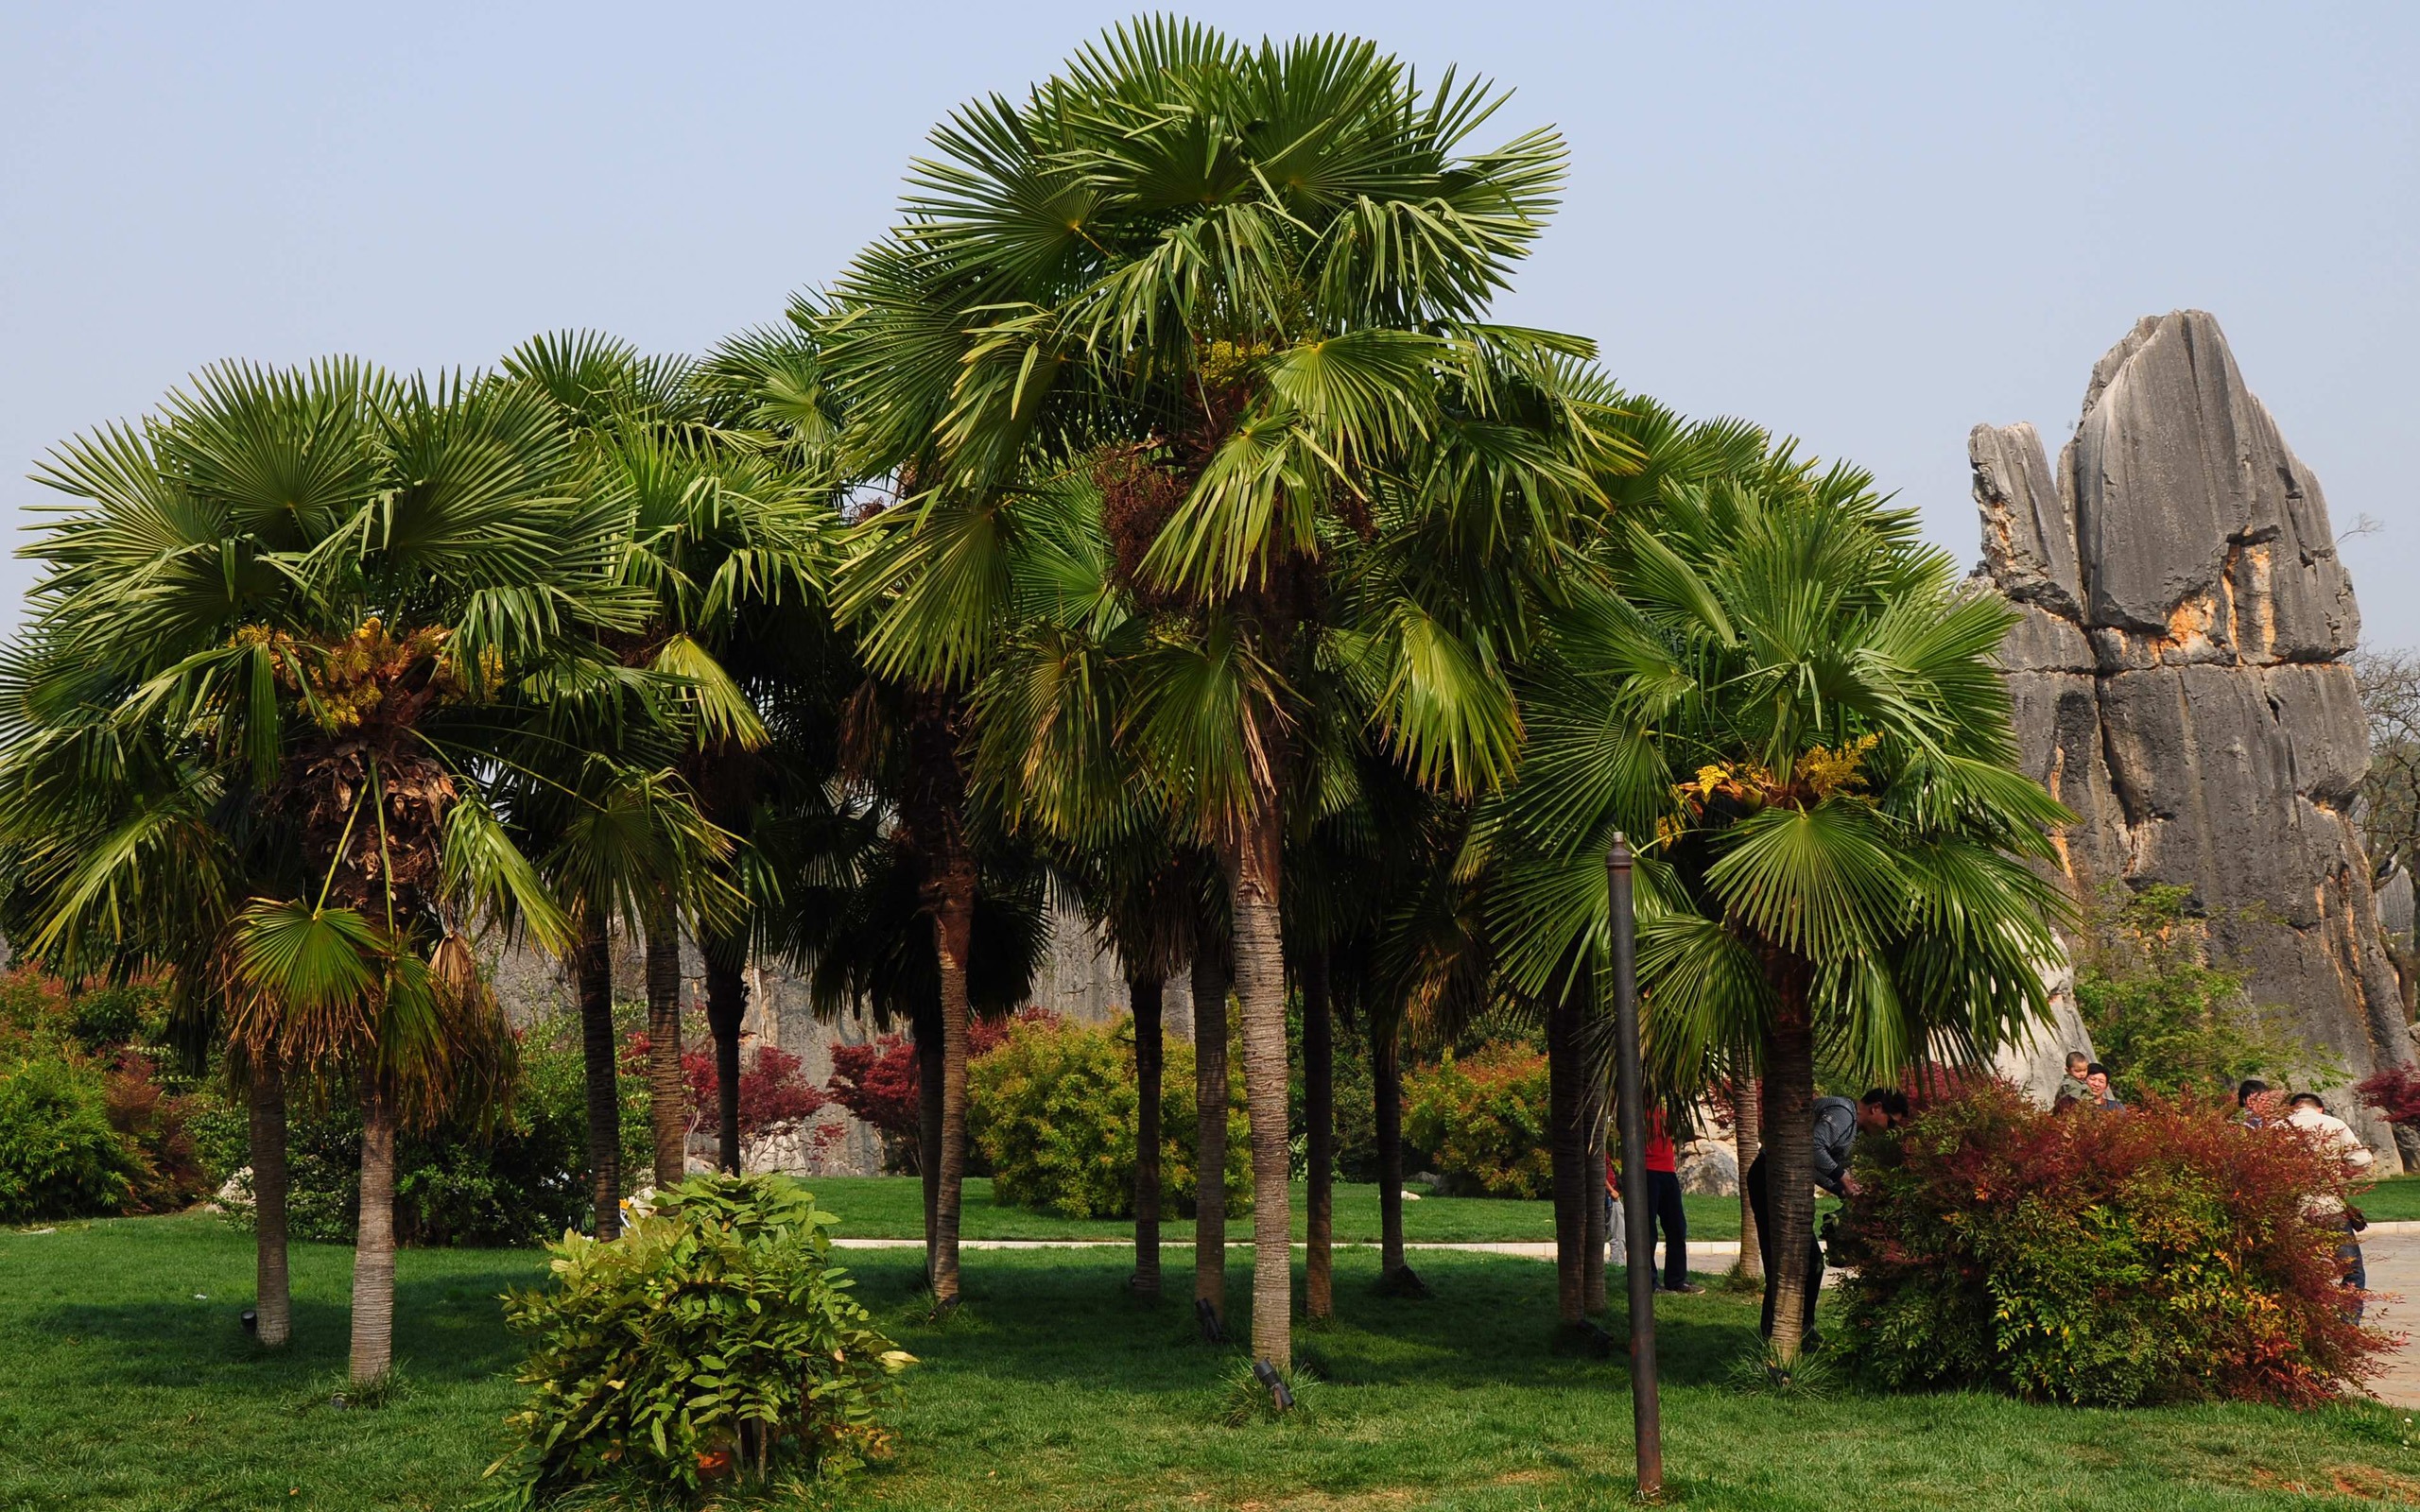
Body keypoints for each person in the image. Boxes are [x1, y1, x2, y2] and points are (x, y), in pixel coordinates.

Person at [1744, 1087, 1910, 1342]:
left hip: (1781, 1178)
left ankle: (1802, 1330)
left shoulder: (1849, 1121)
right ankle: (1776, 1335)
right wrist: (1842, 1176)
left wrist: (1841, 1188)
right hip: (1771, 1178)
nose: (1889, 1131)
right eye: (1890, 1123)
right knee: (1785, 1260)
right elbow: (1812, 1147)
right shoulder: (1845, 1114)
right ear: (1876, 1108)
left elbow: (1808, 1162)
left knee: (1809, 1262)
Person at [2284, 1091, 2375, 1318]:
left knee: (2296, 1272)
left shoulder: (2278, 1127)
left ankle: (2303, 1325)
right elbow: (2361, 1159)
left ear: (2292, 1108)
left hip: (2292, 1211)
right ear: (2320, 1109)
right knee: (2352, 1271)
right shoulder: (2334, 1124)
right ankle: (2348, 1326)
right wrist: (2344, 1171)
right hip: (2329, 1209)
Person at [1607, 1108, 1701, 1294]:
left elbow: (1677, 1132)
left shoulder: (1664, 1108)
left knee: (1677, 1227)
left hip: (1668, 1171)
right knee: (1647, 1231)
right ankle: (1648, 1282)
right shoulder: (1633, 1102)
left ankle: (1676, 1280)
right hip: (1646, 1171)